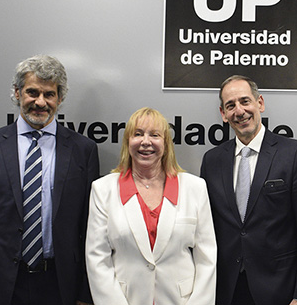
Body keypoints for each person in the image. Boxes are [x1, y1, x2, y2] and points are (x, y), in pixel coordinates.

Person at [0, 55, 100, 305]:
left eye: (49, 94)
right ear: (17, 92)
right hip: (0, 285)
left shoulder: (83, 150)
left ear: (60, 98)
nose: (40, 102)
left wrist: (86, 295)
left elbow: (91, 230)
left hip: (60, 285)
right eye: (32, 92)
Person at [199, 75, 297, 305]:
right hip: (226, 290)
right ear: (223, 114)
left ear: (260, 103)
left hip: (281, 291)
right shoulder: (212, 160)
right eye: (230, 105)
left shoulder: (294, 154)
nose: (239, 111)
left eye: (245, 101)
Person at [86, 107, 217, 305]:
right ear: (127, 142)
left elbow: (207, 258)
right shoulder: (103, 189)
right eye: (137, 134)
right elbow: (97, 259)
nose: (145, 142)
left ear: (166, 144)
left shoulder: (195, 188)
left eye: (155, 135)